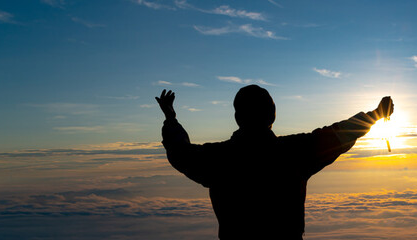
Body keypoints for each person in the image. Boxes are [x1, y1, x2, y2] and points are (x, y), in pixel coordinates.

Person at [155, 85, 393, 239]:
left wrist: (171, 119)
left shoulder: (217, 159)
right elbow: (339, 134)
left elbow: (180, 152)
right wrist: (376, 114)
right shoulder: (294, 153)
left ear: (237, 117)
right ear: (272, 116)